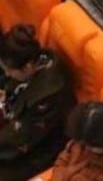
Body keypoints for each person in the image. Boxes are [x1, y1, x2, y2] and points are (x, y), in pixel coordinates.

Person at [0, 24, 76, 181]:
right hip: (14, 120)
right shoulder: (32, 62)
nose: (7, 73)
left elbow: (21, 135)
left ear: (27, 67)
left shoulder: (48, 96)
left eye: (10, 70)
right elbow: (11, 86)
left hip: (39, 144)